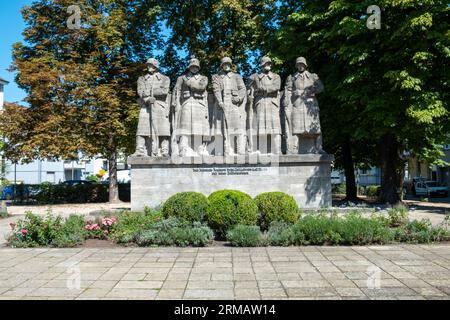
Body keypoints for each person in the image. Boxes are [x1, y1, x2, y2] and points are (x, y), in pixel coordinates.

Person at [284, 57, 324, 154]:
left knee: (315, 127)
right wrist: (290, 97)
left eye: (302, 64)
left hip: (310, 105)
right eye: (298, 64)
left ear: (305, 65)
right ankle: (294, 148)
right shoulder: (292, 77)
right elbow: (288, 90)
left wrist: (312, 90)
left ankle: (319, 148)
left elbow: (321, 87)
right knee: (296, 127)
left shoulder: (312, 76)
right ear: (296, 66)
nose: (300, 66)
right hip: (297, 105)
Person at [172, 57, 210, 156]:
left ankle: (200, 148)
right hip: (186, 103)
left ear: (198, 68)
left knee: (199, 128)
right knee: (185, 126)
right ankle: (184, 147)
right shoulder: (181, 78)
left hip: (199, 104)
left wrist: (189, 82)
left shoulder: (203, 78)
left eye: (196, 67)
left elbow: (201, 87)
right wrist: (175, 102)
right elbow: (176, 90)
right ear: (189, 67)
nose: (194, 68)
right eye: (192, 66)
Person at [134, 58, 171, 157]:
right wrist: (147, 98)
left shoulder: (165, 78)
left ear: (156, 66)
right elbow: (140, 91)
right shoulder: (141, 79)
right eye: (148, 65)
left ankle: (164, 151)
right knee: (141, 128)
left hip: (160, 105)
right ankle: (139, 150)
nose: (148, 67)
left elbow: (164, 91)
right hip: (146, 106)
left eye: (151, 65)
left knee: (163, 129)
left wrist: (151, 92)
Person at [212, 57, 247, 155]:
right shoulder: (217, 77)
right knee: (225, 128)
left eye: (228, 64)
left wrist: (239, 98)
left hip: (234, 104)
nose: (226, 66)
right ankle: (228, 149)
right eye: (224, 64)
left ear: (230, 65)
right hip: (223, 103)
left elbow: (242, 88)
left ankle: (239, 149)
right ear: (222, 66)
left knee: (237, 126)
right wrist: (220, 101)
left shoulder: (237, 76)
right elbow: (216, 90)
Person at [247, 56, 282, 155]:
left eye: (269, 63)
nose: (269, 65)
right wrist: (250, 94)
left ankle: (277, 150)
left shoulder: (276, 76)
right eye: (266, 63)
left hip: (272, 103)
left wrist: (263, 89)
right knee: (259, 127)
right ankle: (260, 149)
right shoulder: (254, 77)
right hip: (260, 103)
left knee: (275, 128)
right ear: (262, 65)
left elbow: (276, 87)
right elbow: (248, 89)